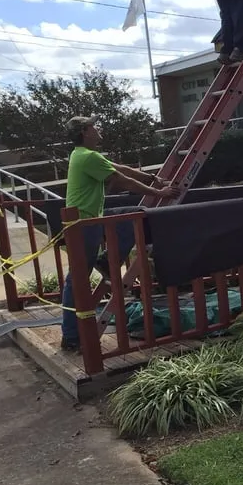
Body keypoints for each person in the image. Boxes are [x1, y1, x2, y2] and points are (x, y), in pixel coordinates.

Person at [59, 115, 180, 352]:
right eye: (94, 126)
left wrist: (151, 177)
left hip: (86, 221)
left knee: (130, 217)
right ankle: (72, 336)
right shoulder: (88, 156)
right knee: (77, 280)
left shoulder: (82, 155)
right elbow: (122, 180)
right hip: (84, 224)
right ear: (85, 131)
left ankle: (105, 262)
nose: (98, 129)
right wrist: (160, 192)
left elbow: (118, 168)